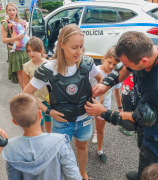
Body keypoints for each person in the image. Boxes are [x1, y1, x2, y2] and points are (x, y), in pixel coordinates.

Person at [85, 31, 158, 180]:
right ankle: (142, 172)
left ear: (144, 61)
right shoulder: (151, 45)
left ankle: (148, 176)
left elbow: (139, 118)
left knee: (149, 152)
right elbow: (125, 68)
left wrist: (103, 112)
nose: (126, 67)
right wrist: (106, 84)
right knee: (142, 143)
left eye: (129, 65)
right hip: (148, 105)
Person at [23, 24, 103, 180]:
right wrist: (48, 111)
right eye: (74, 47)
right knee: (60, 152)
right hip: (61, 121)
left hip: (84, 118)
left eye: (81, 47)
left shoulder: (87, 63)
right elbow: (26, 94)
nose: (79, 52)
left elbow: (101, 80)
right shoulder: (49, 68)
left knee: (82, 147)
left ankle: (83, 174)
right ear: (61, 44)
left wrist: (98, 100)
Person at [2, 93, 82, 180]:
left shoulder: (10, 148)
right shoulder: (60, 142)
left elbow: (13, 177)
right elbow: (73, 175)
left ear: (15, 122)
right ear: (40, 114)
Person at [91, 47, 122, 163]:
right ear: (104, 58)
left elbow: (117, 92)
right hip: (90, 103)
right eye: (109, 62)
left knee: (100, 129)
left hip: (104, 106)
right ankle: (94, 132)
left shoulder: (116, 74)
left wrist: (120, 108)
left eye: (115, 65)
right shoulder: (95, 70)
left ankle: (100, 150)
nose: (111, 67)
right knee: (91, 124)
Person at [23, 36, 52, 133]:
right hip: (35, 99)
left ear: (41, 50)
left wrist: (53, 96)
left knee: (49, 118)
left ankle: (49, 134)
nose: (31, 53)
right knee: (39, 121)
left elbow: (53, 83)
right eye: (29, 51)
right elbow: (25, 86)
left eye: (34, 50)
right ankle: (41, 137)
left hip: (48, 99)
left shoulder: (48, 64)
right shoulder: (26, 67)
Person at [1, 2, 30, 89]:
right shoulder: (5, 23)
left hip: (24, 50)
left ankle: (27, 89)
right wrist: (16, 38)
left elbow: (27, 35)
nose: (11, 12)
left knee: (26, 70)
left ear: (16, 11)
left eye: (13, 10)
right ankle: (24, 90)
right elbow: (4, 40)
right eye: (9, 10)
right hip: (14, 51)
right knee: (20, 72)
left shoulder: (22, 22)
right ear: (7, 11)